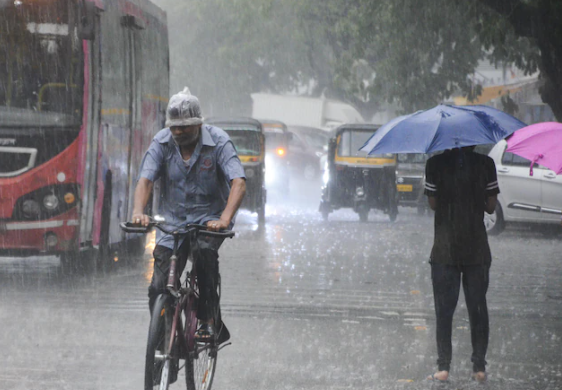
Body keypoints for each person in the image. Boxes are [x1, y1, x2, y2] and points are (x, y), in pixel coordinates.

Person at [131, 87, 246, 342]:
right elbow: (146, 180)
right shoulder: (161, 142)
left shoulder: (219, 142)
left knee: (205, 255)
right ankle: (163, 341)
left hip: (210, 220)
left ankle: (209, 320)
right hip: (172, 222)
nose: (179, 132)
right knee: (158, 287)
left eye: (185, 127)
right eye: (175, 127)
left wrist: (224, 220)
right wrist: (139, 212)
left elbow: (238, 183)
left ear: (199, 124)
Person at [424, 146, 499, 383]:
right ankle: (479, 368)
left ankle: (443, 367)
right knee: (478, 309)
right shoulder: (486, 164)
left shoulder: (434, 164)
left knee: (444, 311)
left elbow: (433, 204)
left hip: (445, 249)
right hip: (476, 248)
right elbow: (490, 207)